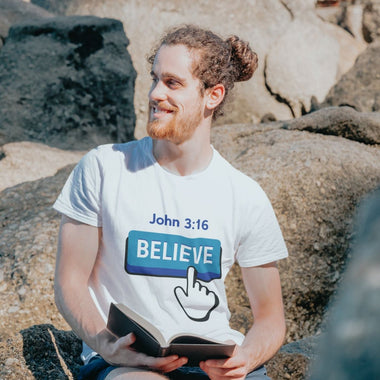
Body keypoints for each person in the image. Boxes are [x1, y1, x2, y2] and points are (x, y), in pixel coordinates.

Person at [53, 25, 288, 380]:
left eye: (172, 83)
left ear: (213, 95)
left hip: (214, 364)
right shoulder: (104, 168)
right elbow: (69, 282)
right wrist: (104, 343)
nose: (154, 94)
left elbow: (271, 319)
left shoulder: (244, 194)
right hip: (127, 362)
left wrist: (247, 358)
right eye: (154, 79)